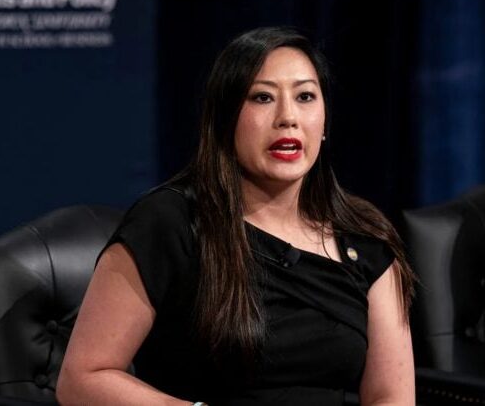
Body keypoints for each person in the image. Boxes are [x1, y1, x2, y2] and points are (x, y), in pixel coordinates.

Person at [56, 26, 416, 405]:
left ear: (325, 121)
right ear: (225, 118)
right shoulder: (170, 223)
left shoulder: (365, 237)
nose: (288, 117)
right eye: (262, 97)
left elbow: (390, 396)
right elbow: (83, 379)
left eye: (305, 96)